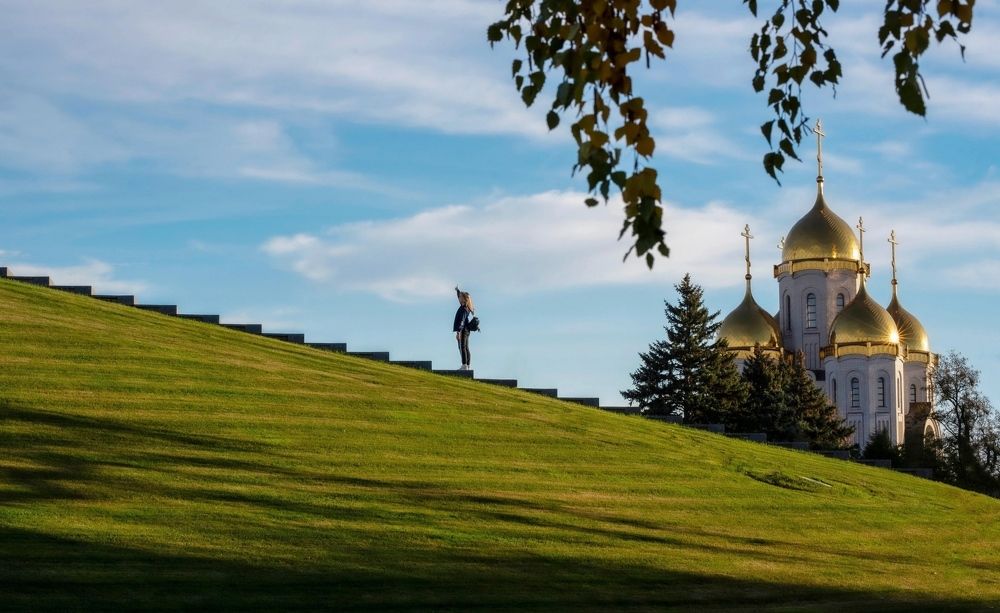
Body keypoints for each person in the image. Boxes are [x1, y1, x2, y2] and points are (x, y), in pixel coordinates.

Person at [453, 286, 474, 370]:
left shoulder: (464, 309)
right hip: (466, 330)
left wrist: (458, 332)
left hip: (463, 330)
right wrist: (457, 291)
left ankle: (464, 365)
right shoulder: (465, 307)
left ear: (464, 299)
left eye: (460, 297)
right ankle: (467, 365)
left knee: (462, 347)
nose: (459, 298)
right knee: (465, 347)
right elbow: (459, 296)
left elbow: (461, 321)